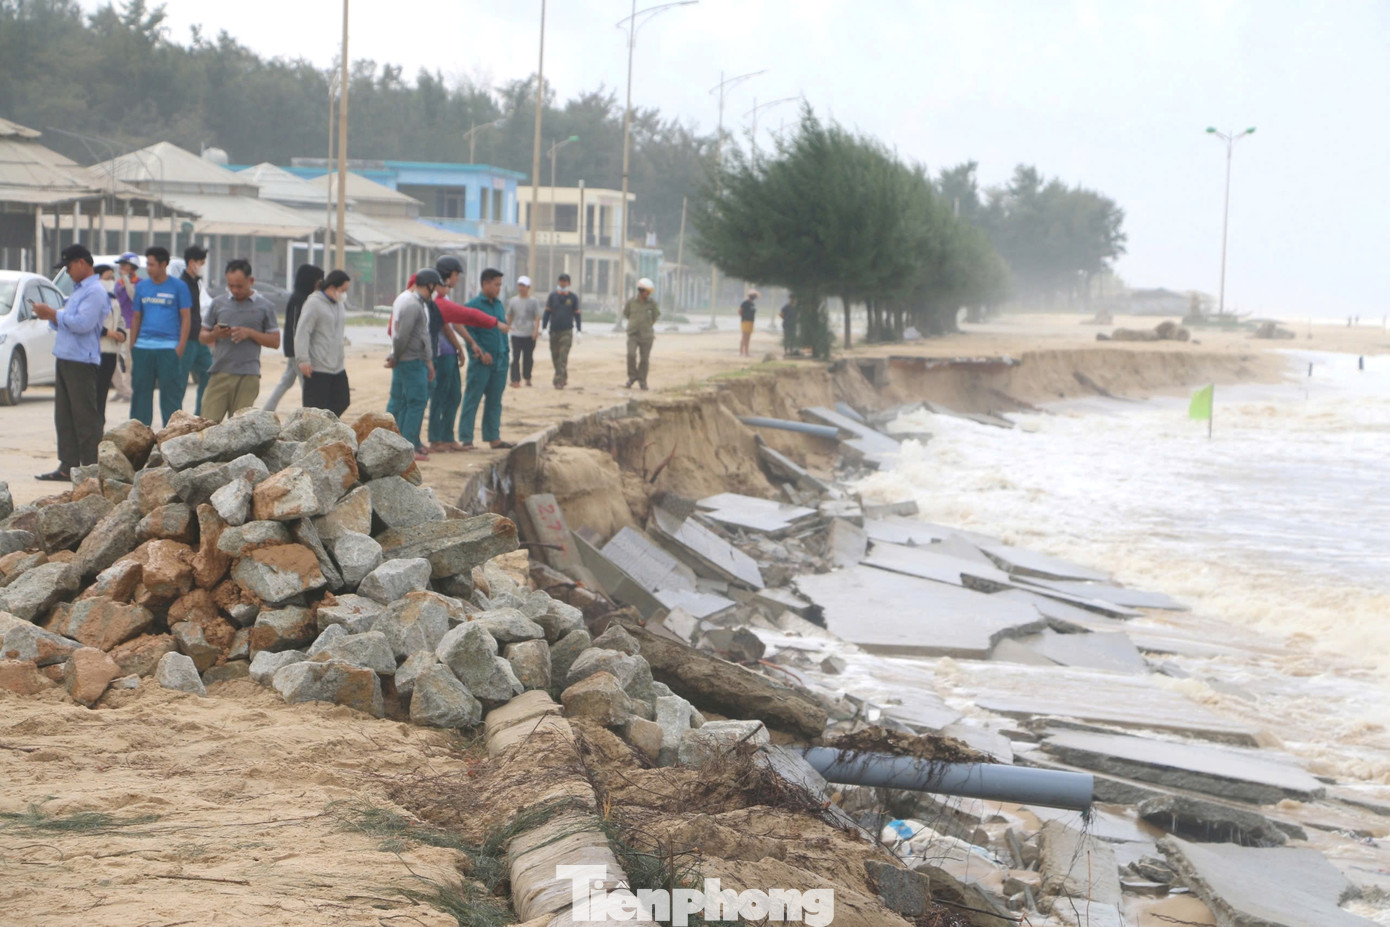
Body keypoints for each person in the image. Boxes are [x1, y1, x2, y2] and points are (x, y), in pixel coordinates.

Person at [31, 245, 107, 481]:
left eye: (69, 266)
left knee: (85, 417)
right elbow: (68, 321)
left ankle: (91, 467)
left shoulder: (94, 291)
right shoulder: (78, 291)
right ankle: (68, 465)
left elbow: (83, 324)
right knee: (64, 416)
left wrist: (53, 314)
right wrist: (50, 316)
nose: (68, 271)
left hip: (81, 361)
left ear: (83, 263)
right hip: (66, 357)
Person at [198, 259, 280, 422]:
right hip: (219, 373)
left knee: (239, 429)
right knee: (207, 424)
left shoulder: (265, 307)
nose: (235, 290)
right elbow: (202, 337)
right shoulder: (218, 304)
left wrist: (249, 333)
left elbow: (275, 341)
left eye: (239, 286)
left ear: (251, 281)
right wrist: (215, 334)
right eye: (231, 285)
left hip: (248, 376)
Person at [128, 246, 192, 428]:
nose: (148, 268)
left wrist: (180, 346)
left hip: (168, 349)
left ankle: (172, 436)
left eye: (152, 264)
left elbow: (186, 317)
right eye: (147, 264)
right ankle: (138, 436)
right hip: (143, 348)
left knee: (171, 397)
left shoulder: (179, 287)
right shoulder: (141, 287)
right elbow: (136, 317)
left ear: (163, 265)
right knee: (140, 396)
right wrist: (133, 345)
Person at [386, 269, 439, 460]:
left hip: (416, 360)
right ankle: (408, 447)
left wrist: (429, 362)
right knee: (416, 402)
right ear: (429, 285)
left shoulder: (417, 304)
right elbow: (401, 336)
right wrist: (396, 356)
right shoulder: (411, 305)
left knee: (408, 401)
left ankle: (408, 443)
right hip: (410, 360)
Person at [458, 268, 511, 450]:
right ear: (485, 283)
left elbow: (502, 333)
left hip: (500, 362)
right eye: (496, 284)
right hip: (481, 363)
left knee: (495, 401)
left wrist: (505, 353)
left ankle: (493, 437)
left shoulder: (499, 305)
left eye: (500, 285)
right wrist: (481, 352)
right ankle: (466, 438)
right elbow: (468, 333)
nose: (498, 288)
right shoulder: (472, 305)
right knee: (472, 399)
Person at [265, 264, 325, 411]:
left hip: (295, 350)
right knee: (307, 384)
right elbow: (296, 328)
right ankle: (311, 413)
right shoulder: (299, 300)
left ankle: (266, 411)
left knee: (286, 381)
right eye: (318, 280)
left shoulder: (303, 298)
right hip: (297, 351)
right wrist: (300, 352)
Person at [426, 256, 469, 453]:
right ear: (449, 273)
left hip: (450, 351)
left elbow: (455, 321)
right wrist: (458, 345)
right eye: (456, 274)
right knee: (440, 395)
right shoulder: (436, 295)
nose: (457, 278)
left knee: (454, 395)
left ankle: (448, 435)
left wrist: (469, 343)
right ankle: (435, 438)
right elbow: (445, 325)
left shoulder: (446, 295)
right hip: (441, 352)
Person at [296, 269, 352, 416]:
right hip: (318, 367)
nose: (344, 294)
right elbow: (303, 332)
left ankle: (330, 428)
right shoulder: (314, 303)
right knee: (316, 409)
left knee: (342, 400)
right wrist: (303, 359)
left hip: (337, 366)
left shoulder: (339, 304)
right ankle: (319, 435)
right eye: (343, 290)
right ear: (332, 287)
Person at [178, 245, 212, 414]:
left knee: (210, 373)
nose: (203, 266)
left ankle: (200, 415)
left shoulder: (196, 283)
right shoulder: (181, 284)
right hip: (185, 340)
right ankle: (174, 423)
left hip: (199, 339)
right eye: (201, 262)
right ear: (191, 263)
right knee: (179, 383)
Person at [94, 264, 127, 426]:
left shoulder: (114, 299)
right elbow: (90, 323)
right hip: (96, 351)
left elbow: (120, 320)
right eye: (107, 278)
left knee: (103, 391)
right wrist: (108, 333)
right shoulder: (93, 298)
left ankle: (99, 423)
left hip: (110, 351)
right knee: (94, 392)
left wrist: (121, 332)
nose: (111, 281)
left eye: (112, 278)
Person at [542, 272, 581, 389]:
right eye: (561, 281)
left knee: (563, 356)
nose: (563, 283)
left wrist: (579, 330)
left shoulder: (573, 298)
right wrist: (543, 328)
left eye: (565, 281)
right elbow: (547, 313)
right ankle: (563, 376)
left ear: (568, 283)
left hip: (566, 331)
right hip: (554, 331)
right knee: (555, 356)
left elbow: (577, 315)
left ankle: (558, 381)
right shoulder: (552, 296)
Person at [109, 251, 138, 401]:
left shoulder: (138, 282)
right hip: (117, 325)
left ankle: (129, 391)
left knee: (129, 361)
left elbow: (134, 296)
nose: (121, 268)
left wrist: (127, 280)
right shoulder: (118, 284)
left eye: (124, 265)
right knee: (112, 359)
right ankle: (121, 388)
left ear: (132, 266)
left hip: (131, 325)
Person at [623, 277, 660, 390]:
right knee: (631, 355)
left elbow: (655, 318)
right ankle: (632, 377)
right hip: (633, 334)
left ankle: (642, 381)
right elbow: (627, 314)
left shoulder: (652, 303)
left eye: (649, 292)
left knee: (644, 360)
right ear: (640, 290)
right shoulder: (631, 302)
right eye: (646, 291)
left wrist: (646, 326)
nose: (648, 294)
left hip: (647, 336)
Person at [507, 275, 541, 388]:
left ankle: (527, 377)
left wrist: (536, 330)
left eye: (524, 286)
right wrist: (507, 328)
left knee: (528, 357)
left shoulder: (534, 301)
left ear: (528, 287)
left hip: (529, 333)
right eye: (520, 285)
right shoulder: (513, 301)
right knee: (515, 357)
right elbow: (510, 315)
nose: (521, 288)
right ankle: (515, 380)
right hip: (516, 333)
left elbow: (537, 317)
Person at [739, 289, 759, 357]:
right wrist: (744, 317)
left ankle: (746, 351)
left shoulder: (752, 304)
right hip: (745, 321)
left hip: (751, 321)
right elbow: (740, 311)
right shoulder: (745, 302)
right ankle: (742, 352)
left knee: (748, 337)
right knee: (744, 337)